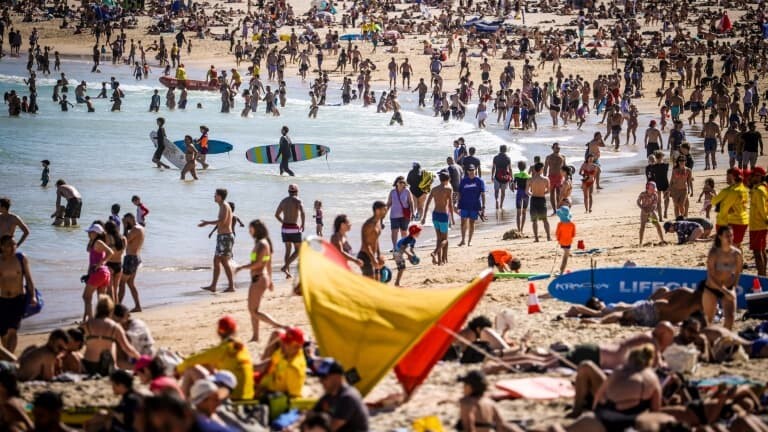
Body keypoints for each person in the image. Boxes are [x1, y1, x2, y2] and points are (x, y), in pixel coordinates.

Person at [176, 316, 255, 400]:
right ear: (235, 330)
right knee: (208, 365)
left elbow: (190, 361)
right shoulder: (242, 348)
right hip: (249, 396)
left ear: (219, 332)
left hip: (232, 398)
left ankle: (182, 404)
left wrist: (177, 370)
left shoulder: (222, 350)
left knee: (190, 370)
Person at [235, 220, 282, 342]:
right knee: (253, 310)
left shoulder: (262, 244)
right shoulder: (262, 243)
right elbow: (268, 263)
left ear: (257, 229)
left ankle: (277, 325)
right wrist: (270, 281)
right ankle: (255, 336)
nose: (249, 232)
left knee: (253, 310)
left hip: (259, 278)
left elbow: (258, 264)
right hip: (261, 278)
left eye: (251, 229)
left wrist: (241, 267)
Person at [81, 296, 140, 376]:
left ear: (97, 309)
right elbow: (127, 348)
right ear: (110, 310)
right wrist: (140, 358)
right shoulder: (114, 326)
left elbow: (77, 342)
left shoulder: (87, 324)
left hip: (88, 365)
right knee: (113, 343)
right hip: (106, 367)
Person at [701, 226, 742, 330]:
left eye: (731, 235)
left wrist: (733, 288)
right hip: (712, 288)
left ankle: (724, 344)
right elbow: (711, 276)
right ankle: (709, 344)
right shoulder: (714, 253)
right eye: (727, 236)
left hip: (728, 287)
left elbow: (738, 273)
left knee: (730, 320)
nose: (730, 238)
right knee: (708, 321)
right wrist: (723, 290)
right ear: (720, 237)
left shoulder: (737, 254)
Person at [313, 358, 370, 431]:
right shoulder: (329, 395)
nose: (320, 381)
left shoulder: (348, 397)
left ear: (337, 377)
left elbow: (331, 428)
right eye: (320, 378)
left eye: (324, 377)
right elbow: (311, 415)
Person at [0, 235, 35, 353]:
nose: (13, 247)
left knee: (13, 330)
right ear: (2, 247)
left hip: (19, 299)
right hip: (2, 300)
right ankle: (7, 355)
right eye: (9, 245)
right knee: (3, 333)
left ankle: (9, 357)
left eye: (14, 244)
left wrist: (33, 296)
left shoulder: (21, 258)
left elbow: (29, 279)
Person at [200, 189, 235, 293]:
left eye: (215, 195)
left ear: (220, 196)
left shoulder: (224, 205)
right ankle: (218, 286)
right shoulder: (223, 205)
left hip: (225, 237)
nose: (214, 196)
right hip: (224, 236)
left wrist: (207, 223)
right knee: (222, 262)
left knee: (219, 261)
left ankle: (220, 286)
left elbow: (222, 221)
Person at [256, 327, 307, 398]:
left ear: (297, 347)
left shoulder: (294, 368)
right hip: (265, 381)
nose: (282, 344)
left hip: (271, 394)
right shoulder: (285, 352)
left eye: (287, 343)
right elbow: (271, 363)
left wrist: (265, 391)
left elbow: (293, 397)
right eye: (284, 341)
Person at [421, 171, 455, 265]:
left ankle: (441, 260)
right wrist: (452, 218)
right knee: (445, 239)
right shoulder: (448, 189)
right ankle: (435, 253)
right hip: (443, 215)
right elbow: (451, 205)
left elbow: (427, 203)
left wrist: (424, 217)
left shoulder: (434, 189)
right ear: (447, 179)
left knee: (439, 239)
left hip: (435, 214)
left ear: (440, 180)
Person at [83, 223, 114, 322]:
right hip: (103, 273)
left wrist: (101, 263)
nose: (88, 234)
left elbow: (111, 252)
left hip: (99, 272)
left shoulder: (98, 242)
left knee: (86, 296)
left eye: (91, 232)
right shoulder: (95, 242)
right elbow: (88, 250)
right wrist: (88, 274)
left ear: (96, 233)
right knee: (101, 299)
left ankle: (91, 320)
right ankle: (103, 319)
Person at [274, 184, 305, 279]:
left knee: (288, 251)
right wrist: (303, 224)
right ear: (297, 191)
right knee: (298, 250)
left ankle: (287, 273)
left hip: (285, 228)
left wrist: (283, 222)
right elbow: (303, 212)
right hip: (293, 228)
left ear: (288, 192)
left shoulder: (283, 201)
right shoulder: (298, 200)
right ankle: (284, 267)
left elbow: (276, 215)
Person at [120, 213, 145, 312]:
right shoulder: (141, 228)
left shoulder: (135, 229)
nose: (126, 222)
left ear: (130, 219)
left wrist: (124, 227)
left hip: (131, 258)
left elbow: (124, 241)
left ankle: (118, 308)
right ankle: (138, 306)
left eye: (126, 220)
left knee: (122, 283)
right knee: (130, 283)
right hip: (136, 257)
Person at [457, 165, 486, 247]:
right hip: (464, 205)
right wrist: (458, 204)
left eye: (473, 170)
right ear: (467, 171)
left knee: (472, 223)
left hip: (475, 206)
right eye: (470, 170)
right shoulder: (463, 181)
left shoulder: (479, 181)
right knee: (463, 223)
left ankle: (469, 241)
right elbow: (459, 193)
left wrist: (483, 207)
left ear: (475, 170)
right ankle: (463, 240)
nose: (471, 171)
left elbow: (483, 194)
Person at [358, 201, 387, 280]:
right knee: (369, 284)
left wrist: (378, 255)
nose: (386, 212)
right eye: (384, 210)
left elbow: (376, 240)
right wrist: (372, 258)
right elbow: (365, 244)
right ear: (377, 210)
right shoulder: (369, 224)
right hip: (365, 256)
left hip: (373, 256)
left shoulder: (378, 223)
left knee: (377, 282)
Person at [386, 176, 415, 251]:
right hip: (394, 215)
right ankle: (395, 247)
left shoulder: (407, 191)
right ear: (396, 183)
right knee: (394, 232)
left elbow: (411, 202)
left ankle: (403, 246)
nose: (402, 183)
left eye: (403, 182)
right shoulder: (392, 192)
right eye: (400, 182)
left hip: (405, 215)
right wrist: (384, 212)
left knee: (404, 232)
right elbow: (389, 203)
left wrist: (413, 212)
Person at [749, 167, 768, 275]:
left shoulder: (758, 191)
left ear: (759, 177)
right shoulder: (763, 188)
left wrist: (766, 219)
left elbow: (761, 208)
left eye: (753, 175)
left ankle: (762, 275)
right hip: (760, 224)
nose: (750, 177)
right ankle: (763, 274)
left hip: (758, 224)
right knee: (762, 249)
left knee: (757, 252)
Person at [528, 163, 551, 242]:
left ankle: (536, 238)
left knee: (534, 220)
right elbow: (548, 190)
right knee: (545, 219)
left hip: (533, 199)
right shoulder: (546, 179)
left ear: (534, 170)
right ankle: (548, 237)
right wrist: (543, 193)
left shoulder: (530, 179)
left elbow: (527, 191)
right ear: (541, 169)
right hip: (541, 199)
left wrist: (532, 193)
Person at [104, 220, 125, 302]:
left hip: (110, 264)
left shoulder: (107, 237)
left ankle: (112, 310)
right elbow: (123, 251)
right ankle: (116, 309)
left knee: (110, 289)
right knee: (115, 290)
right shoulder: (122, 238)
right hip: (119, 265)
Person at [544, 143, 567, 214]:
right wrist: (544, 178)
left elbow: (565, 168)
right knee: (552, 194)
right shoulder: (548, 157)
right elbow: (545, 168)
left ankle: (558, 208)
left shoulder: (563, 157)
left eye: (559, 148)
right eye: (556, 148)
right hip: (551, 177)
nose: (558, 149)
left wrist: (567, 177)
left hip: (559, 177)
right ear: (553, 148)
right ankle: (554, 210)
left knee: (559, 194)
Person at [555, 206, 575, 275]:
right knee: (566, 256)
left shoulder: (560, 224)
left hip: (562, 242)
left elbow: (557, 234)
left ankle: (561, 271)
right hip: (569, 241)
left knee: (565, 255)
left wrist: (558, 239)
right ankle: (561, 271)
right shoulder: (572, 224)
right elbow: (573, 234)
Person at [492, 145, 513, 210]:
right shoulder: (508, 158)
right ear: (505, 150)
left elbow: (493, 167)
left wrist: (492, 176)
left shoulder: (495, 157)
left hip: (497, 176)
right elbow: (510, 169)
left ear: (500, 149)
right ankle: (501, 205)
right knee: (503, 192)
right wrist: (511, 178)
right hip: (505, 177)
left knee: (496, 191)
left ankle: (497, 200)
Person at [511, 162, 530, 233]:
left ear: (518, 167)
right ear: (525, 167)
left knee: (518, 213)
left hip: (519, 193)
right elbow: (530, 186)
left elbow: (513, 185)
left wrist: (514, 188)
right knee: (524, 212)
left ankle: (518, 229)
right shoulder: (528, 176)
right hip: (526, 194)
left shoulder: (516, 175)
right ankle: (522, 229)